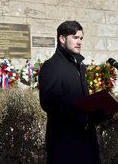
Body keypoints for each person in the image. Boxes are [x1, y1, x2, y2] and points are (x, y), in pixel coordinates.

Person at [39, 21, 107, 164]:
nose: (79, 42)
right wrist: (83, 114)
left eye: (81, 38)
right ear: (62, 39)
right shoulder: (52, 66)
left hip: (86, 139)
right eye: (75, 37)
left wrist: (98, 112)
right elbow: (49, 103)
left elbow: (81, 99)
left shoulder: (78, 65)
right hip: (65, 143)